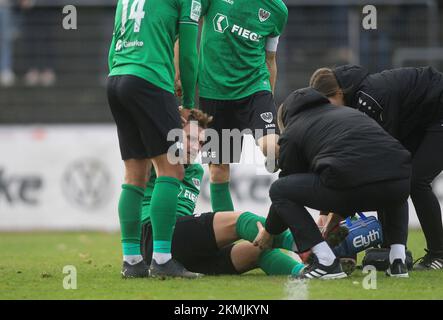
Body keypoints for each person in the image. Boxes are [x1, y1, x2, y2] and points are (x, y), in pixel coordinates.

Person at [254, 87, 412, 279]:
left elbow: (286, 188)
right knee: (391, 175)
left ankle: (326, 261)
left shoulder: (294, 130)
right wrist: (335, 218)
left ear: (287, 116)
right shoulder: (350, 113)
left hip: (350, 183)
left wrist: (270, 231)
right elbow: (366, 163)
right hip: (400, 181)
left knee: (279, 189)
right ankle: (397, 261)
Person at [141, 110, 305, 277]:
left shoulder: (196, 170)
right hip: (156, 240)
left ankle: (306, 272)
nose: (196, 146)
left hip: (183, 251)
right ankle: (309, 245)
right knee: (241, 220)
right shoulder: (157, 161)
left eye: (200, 142)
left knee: (257, 249)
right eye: (190, 138)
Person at [310, 65, 443, 270]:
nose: (324, 111)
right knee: (385, 179)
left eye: (326, 104)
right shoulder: (354, 100)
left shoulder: (367, 100)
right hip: (422, 117)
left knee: (415, 182)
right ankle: (390, 248)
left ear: (337, 93)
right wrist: (325, 210)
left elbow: (378, 159)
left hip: (437, 110)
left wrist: (336, 212)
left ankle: (438, 254)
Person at [107, 0, 201, 278]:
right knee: (172, 169)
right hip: (150, 81)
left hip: (116, 79)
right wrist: (187, 102)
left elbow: (114, 44)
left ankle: (132, 261)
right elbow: (187, 54)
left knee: (135, 174)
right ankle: (162, 259)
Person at [196, 0, 288, 213]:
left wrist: (269, 100)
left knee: (271, 148)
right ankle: (227, 235)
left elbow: (270, 58)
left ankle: (291, 204)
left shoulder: (278, 10)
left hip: (254, 87)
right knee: (218, 170)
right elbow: (187, 26)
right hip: (214, 91)